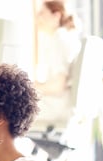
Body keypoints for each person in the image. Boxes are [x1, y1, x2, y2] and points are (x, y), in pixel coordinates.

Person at [33, 0, 81, 132]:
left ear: (57, 15)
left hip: (57, 107)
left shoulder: (59, 39)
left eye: (42, 13)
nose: (37, 18)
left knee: (6, 107)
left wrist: (32, 86)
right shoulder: (68, 37)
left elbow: (58, 87)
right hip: (65, 107)